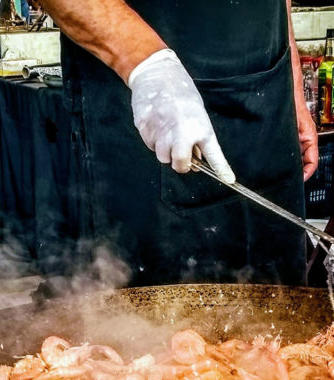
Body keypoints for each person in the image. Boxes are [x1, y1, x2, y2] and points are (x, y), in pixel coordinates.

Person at [37, 0, 318, 287]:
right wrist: (147, 65)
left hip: (268, 96)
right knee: (150, 318)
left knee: (285, 308)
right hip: (143, 99)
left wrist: (292, 80)